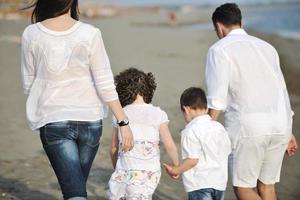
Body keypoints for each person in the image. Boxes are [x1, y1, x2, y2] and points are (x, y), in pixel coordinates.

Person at [21, 1, 134, 199]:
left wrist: (42, 109)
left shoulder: (31, 34)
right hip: (90, 122)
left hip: (53, 121)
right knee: (77, 188)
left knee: (75, 191)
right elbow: (104, 82)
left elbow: (28, 83)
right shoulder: (90, 33)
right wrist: (123, 122)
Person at [205, 3, 298, 200]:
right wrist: (289, 130)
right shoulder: (268, 47)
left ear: (219, 26)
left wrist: (204, 131)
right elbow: (280, 88)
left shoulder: (219, 49)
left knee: (243, 187)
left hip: (249, 127)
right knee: (267, 186)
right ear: (241, 22)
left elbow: (217, 99)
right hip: (281, 122)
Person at [107, 68, 179, 200]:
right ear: (148, 89)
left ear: (122, 91)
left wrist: (117, 168)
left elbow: (113, 148)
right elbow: (170, 145)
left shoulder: (120, 114)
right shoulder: (159, 114)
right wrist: (176, 166)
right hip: (149, 174)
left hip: (125, 172)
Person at [164, 87, 231, 200]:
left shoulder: (190, 130)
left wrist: (176, 170)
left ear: (186, 110)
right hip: (219, 183)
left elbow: (192, 160)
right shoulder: (219, 127)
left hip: (199, 184)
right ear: (206, 108)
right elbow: (227, 151)